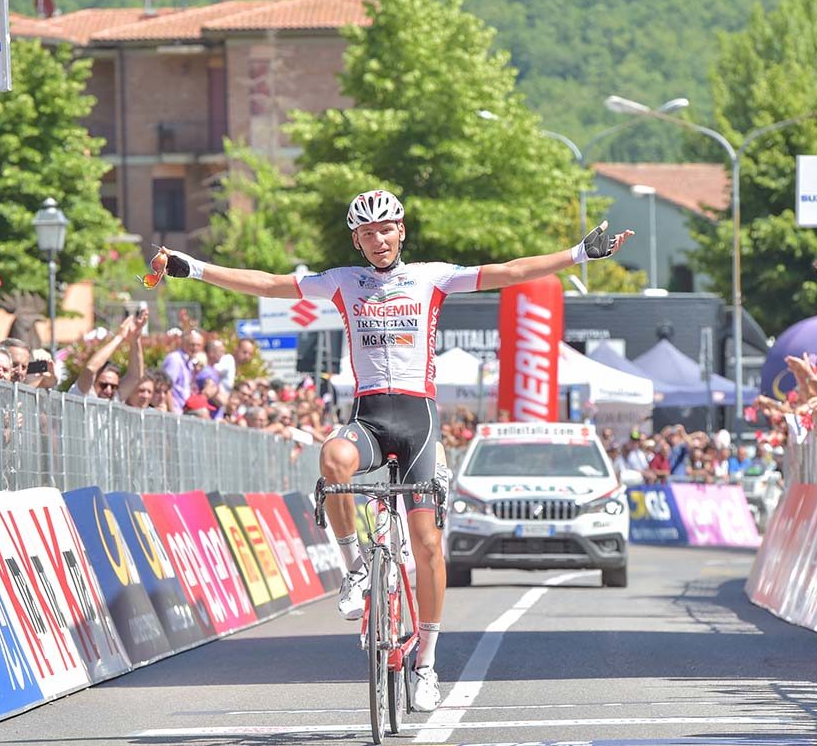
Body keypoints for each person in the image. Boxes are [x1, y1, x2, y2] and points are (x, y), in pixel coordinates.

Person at [155, 189, 632, 710]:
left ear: (401, 231)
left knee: (426, 543)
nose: (378, 240)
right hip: (368, 418)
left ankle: (426, 661)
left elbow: (509, 270)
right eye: (367, 233)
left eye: (386, 229)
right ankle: (355, 567)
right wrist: (193, 267)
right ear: (356, 240)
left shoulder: (433, 277)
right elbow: (269, 284)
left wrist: (580, 254)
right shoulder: (342, 282)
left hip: (418, 421)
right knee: (334, 459)